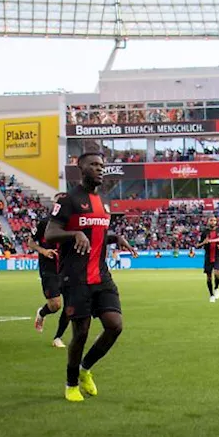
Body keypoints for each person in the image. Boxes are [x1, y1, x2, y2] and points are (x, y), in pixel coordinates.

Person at [45, 152, 139, 402]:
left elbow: (95, 235)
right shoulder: (68, 200)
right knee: (81, 333)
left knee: (114, 325)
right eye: (94, 165)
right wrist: (74, 233)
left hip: (101, 275)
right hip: (76, 277)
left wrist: (115, 238)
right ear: (81, 169)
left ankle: (86, 368)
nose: (99, 169)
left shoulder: (102, 202)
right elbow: (51, 233)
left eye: (102, 165)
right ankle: (71, 383)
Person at [29, 193, 70, 348]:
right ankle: (42, 313)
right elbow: (31, 243)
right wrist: (43, 251)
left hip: (67, 268)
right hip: (49, 268)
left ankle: (58, 337)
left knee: (70, 305)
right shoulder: (44, 223)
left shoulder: (71, 224)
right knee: (55, 305)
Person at [200, 217, 219, 302]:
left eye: (214, 220)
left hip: (217, 254)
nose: (213, 222)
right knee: (209, 277)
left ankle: (216, 288)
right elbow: (198, 245)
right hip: (208, 256)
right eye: (211, 220)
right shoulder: (204, 232)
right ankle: (211, 295)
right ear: (208, 221)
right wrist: (204, 242)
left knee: (217, 273)